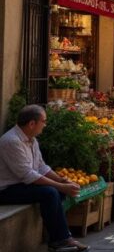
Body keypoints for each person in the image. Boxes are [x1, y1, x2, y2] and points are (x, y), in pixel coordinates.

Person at [0, 105, 89, 252]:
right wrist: (59, 186)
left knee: (57, 191)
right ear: (32, 124)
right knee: (50, 192)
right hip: (6, 189)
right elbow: (28, 175)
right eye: (44, 121)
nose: (45, 125)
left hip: (21, 184)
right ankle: (60, 240)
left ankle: (59, 235)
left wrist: (61, 181)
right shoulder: (11, 141)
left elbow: (41, 166)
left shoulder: (31, 140)